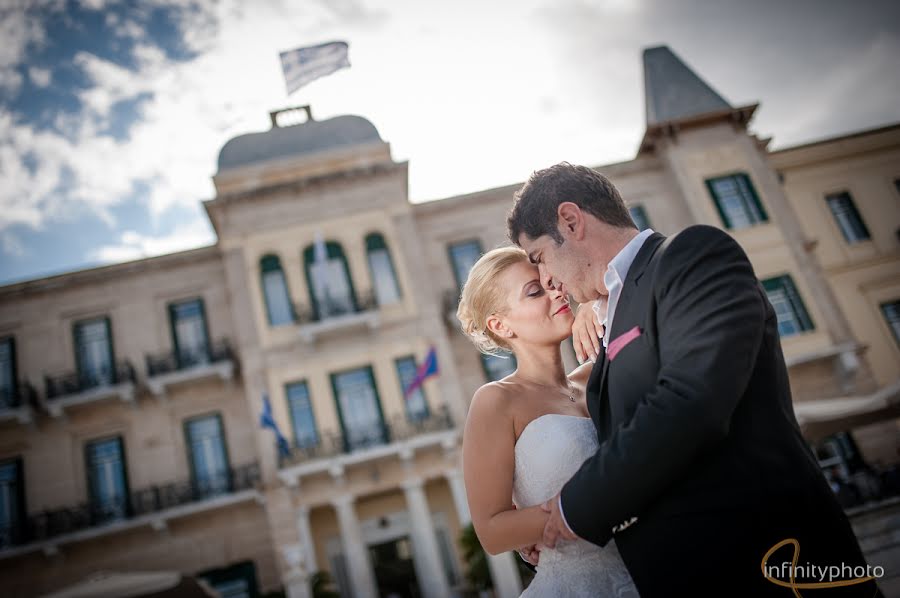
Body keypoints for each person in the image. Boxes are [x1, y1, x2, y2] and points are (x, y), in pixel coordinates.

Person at [508, 162, 882, 597]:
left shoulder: (693, 257)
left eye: (540, 259)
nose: (547, 279)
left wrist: (571, 509)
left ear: (570, 222)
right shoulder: (607, 313)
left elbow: (691, 401)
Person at [458, 245, 639, 597]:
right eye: (535, 291)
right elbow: (492, 532)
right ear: (500, 324)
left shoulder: (598, 376)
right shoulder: (496, 401)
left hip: (651, 571)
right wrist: (566, 515)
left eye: (550, 282)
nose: (557, 291)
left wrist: (596, 304)